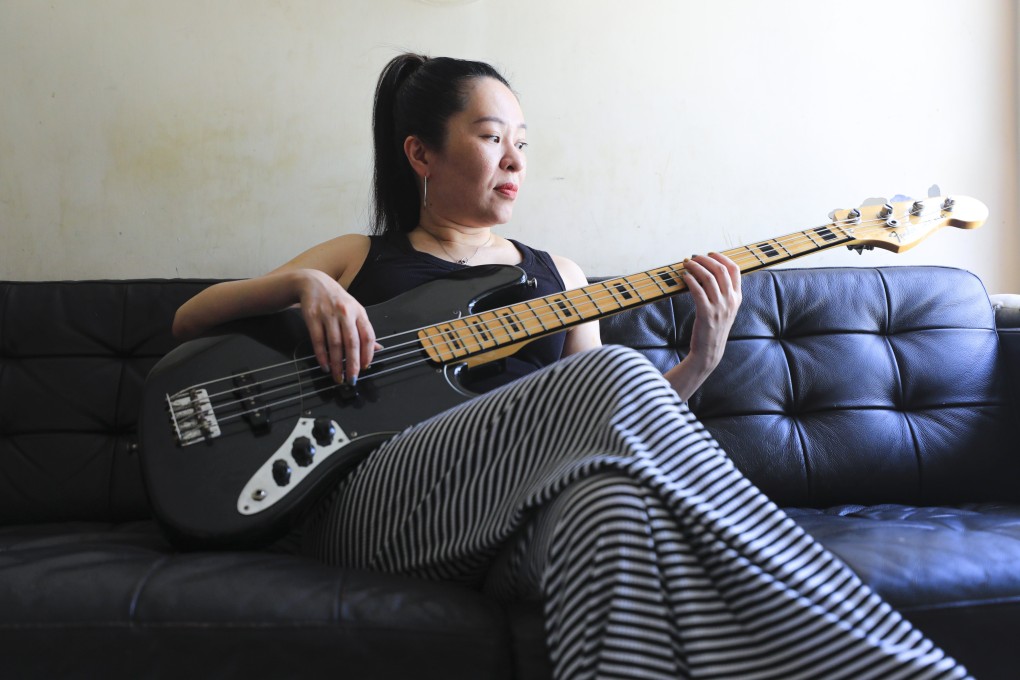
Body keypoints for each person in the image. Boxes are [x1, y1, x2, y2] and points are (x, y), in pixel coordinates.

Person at [172, 54, 968, 680]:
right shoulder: (362, 256)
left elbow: (602, 422)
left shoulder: (560, 273)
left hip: (507, 518)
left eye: (522, 141)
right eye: (491, 137)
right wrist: (302, 283)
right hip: (370, 500)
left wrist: (700, 358)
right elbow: (188, 321)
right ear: (422, 152)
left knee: (610, 508)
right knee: (614, 374)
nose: (514, 157)